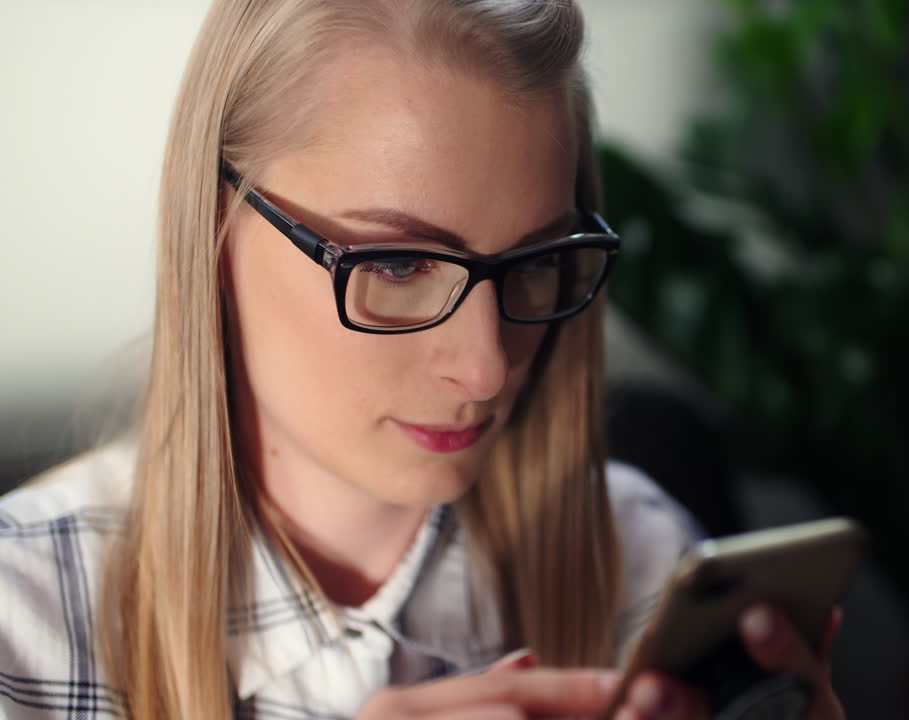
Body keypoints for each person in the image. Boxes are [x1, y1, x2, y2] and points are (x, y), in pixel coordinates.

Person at [0, 1, 846, 718]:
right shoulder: (24, 624)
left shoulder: (642, 562)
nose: (485, 372)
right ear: (216, 232)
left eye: (537, 261)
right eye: (398, 264)